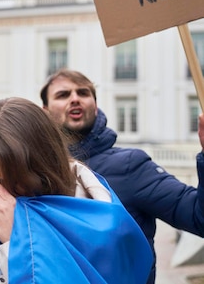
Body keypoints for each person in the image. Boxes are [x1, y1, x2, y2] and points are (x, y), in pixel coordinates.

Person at [0, 97, 153, 283]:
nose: (0, 195)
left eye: (14, 181)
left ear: (43, 166)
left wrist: (18, 243)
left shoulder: (103, 227)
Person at [41, 69, 204, 284]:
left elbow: (198, 217)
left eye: (83, 93)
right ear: (45, 111)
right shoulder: (38, 174)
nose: (75, 99)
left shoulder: (130, 166)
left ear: (95, 107)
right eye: (63, 95)